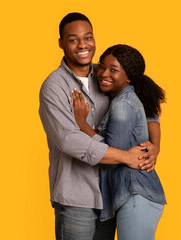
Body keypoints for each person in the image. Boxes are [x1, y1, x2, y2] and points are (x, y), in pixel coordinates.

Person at [38, 13, 161, 240]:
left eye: (88, 37)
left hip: (109, 196)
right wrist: (126, 157)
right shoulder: (53, 87)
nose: (83, 45)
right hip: (77, 199)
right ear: (61, 43)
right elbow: (70, 141)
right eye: (73, 39)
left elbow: (146, 106)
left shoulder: (107, 73)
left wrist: (154, 145)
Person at [72, 44, 166, 240]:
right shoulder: (123, 97)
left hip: (136, 194)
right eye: (102, 67)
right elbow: (151, 117)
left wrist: (82, 124)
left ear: (129, 77)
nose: (104, 73)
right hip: (132, 195)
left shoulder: (123, 105)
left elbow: (111, 151)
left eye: (113, 70)